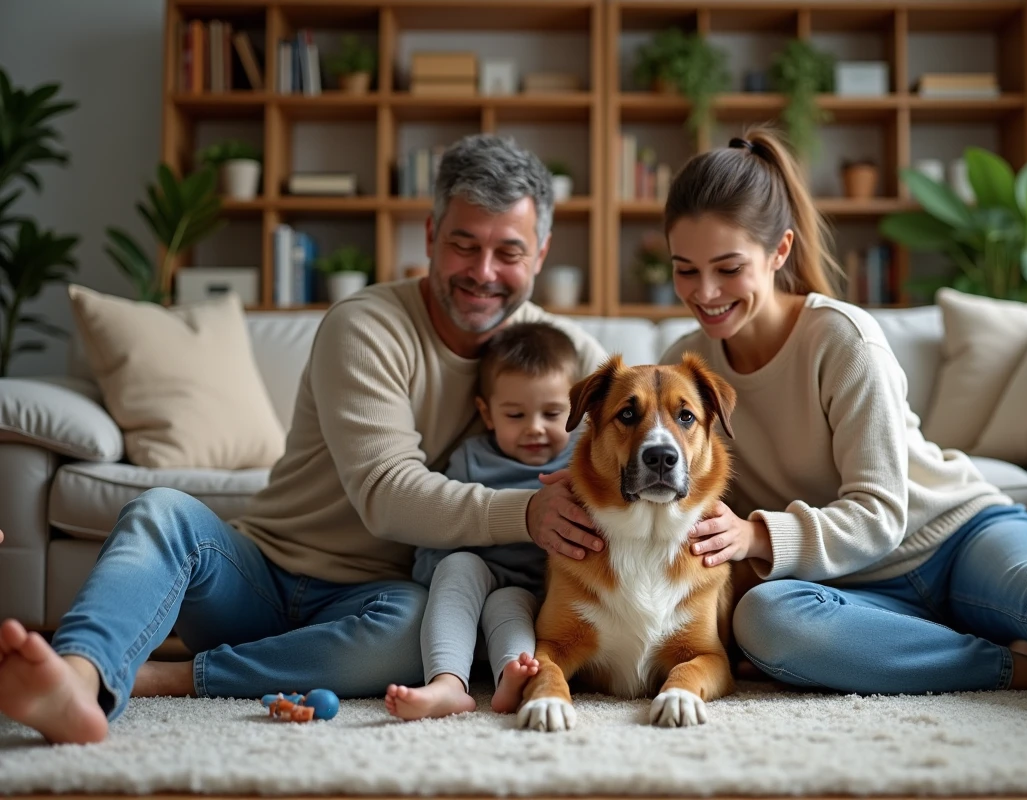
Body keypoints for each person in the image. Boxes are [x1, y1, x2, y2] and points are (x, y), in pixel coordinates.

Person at [0, 134, 608, 745]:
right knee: (161, 512)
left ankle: (171, 677)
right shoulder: (367, 326)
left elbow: (648, 440)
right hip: (260, 575)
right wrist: (527, 512)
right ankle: (77, 678)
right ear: (429, 236)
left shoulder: (565, 359)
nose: (483, 272)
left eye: (509, 251)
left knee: (420, 626)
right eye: (463, 244)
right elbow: (385, 492)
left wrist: (709, 517)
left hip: (378, 604)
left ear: (541, 253)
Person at [659, 127, 1027, 743]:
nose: (705, 292)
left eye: (729, 268)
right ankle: (1025, 672)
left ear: (779, 251)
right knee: (768, 620)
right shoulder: (683, 370)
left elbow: (881, 513)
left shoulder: (841, 337)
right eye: (685, 270)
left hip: (958, 532)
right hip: (850, 590)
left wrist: (757, 533)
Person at [384, 321, 579, 721]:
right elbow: (435, 531)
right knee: (458, 565)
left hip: (540, 592)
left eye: (553, 413)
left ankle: (514, 675)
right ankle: (447, 684)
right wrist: (437, 576)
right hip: (476, 576)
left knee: (510, 604)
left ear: (577, 411)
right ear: (486, 414)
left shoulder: (583, 458)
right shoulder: (472, 458)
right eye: (515, 414)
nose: (535, 428)